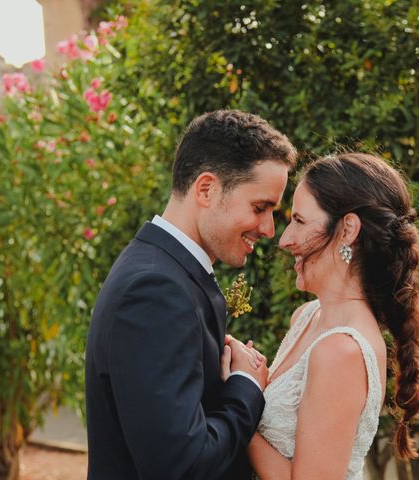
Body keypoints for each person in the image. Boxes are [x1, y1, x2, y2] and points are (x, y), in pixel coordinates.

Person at [85, 109, 297, 479]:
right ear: (206, 189)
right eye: (260, 207)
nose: (268, 229)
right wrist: (245, 388)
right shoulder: (154, 290)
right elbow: (182, 466)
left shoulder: (167, 271)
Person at [244, 153, 419, 479]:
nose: (285, 239)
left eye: (300, 221)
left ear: (347, 230)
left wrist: (236, 400)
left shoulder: (342, 351)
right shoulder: (307, 317)